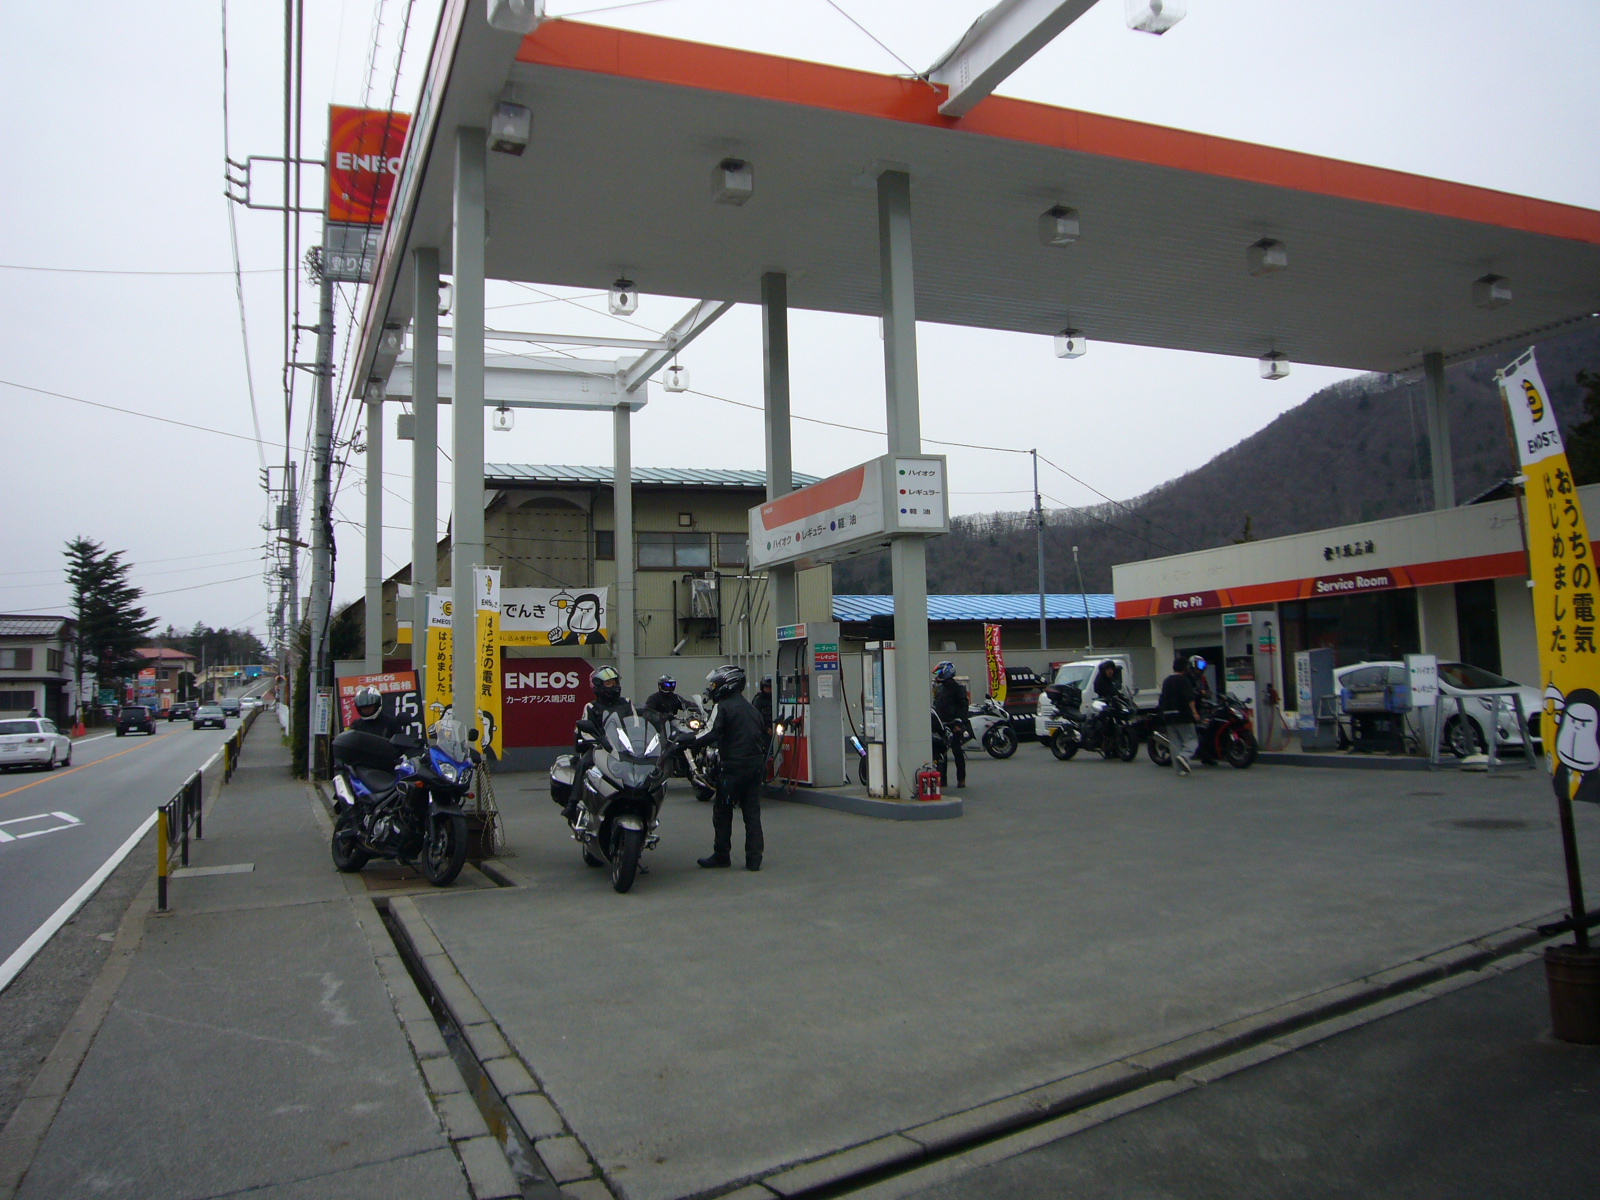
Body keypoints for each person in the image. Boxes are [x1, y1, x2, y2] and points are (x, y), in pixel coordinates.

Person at [685, 664, 766, 871]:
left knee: (722, 811)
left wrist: (687, 741)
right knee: (752, 813)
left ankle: (721, 855)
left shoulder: (723, 707)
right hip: (755, 766)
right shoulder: (752, 709)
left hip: (733, 767)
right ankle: (754, 859)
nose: (712, 687)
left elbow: (710, 733)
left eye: (715, 684)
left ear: (727, 684)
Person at [564, 665, 634, 822]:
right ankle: (572, 804)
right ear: (598, 686)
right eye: (608, 683)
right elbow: (583, 731)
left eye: (614, 682)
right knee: (584, 763)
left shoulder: (627, 703)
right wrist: (598, 742)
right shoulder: (591, 707)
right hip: (600, 747)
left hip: (625, 747)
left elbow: (636, 724)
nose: (613, 686)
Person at [1159, 654, 1202, 776]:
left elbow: (1162, 699)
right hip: (1183, 715)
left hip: (1168, 716)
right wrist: (1194, 712)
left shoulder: (1167, 681)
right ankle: (1184, 756)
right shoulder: (1184, 680)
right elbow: (1190, 698)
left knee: (1175, 743)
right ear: (1185, 668)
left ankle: (1180, 770)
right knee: (1192, 740)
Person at [932, 661, 969, 788]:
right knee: (941, 754)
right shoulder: (940, 688)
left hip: (954, 723)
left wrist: (960, 722)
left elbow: (964, 707)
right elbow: (936, 706)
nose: (937, 675)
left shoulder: (958, 689)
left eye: (939, 672)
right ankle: (942, 780)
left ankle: (961, 779)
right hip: (941, 724)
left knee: (957, 752)